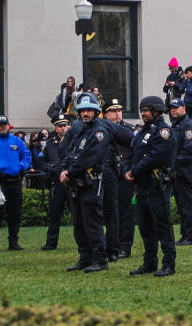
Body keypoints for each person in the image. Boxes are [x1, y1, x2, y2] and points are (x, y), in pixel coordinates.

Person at [60, 92, 113, 273]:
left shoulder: (99, 132)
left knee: (92, 224)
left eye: (89, 110)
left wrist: (70, 171)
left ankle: (100, 260)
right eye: (83, 110)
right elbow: (69, 153)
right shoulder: (80, 130)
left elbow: (88, 158)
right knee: (79, 224)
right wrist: (64, 169)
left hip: (91, 183)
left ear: (96, 111)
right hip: (77, 184)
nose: (85, 114)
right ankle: (85, 257)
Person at [125, 96, 177, 277]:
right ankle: (149, 262)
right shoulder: (142, 132)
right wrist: (128, 169)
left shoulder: (163, 131)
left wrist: (134, 171)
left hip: (157, 186)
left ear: (156, 111)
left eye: (146, 110)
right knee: (145, 227)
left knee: (162, 226)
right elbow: (132, 153)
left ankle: (169, 263)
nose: (143, 113)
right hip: (142, 186)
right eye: (142, 110)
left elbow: (156, 156)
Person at [97, 99, 134, 263]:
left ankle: (124, 246)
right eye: (113, 110)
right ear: (106, 114)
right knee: (111, 212)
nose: (118, 113)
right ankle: (110, 244)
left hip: (124, 174)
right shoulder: (102, 130)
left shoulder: (127, 130)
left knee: (125, 211)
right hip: (108, 173)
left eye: (119, 110)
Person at [0, 116, 31, 251]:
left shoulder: (17, 141)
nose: (3, 127)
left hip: (14, 181)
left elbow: (26, 155)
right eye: (0, 125)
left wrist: (21, 166)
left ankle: (13, 242)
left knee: (15, 213)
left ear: (9, 126)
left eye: (5, 124)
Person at [169, 99, 192, 245]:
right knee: (182, 206)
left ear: (184, 108)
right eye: (172, 108)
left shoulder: (189, 126)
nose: (174, 110)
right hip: (178, 172)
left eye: (176, 108)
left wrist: (172, 162)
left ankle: (191, 235)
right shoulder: (176, 125)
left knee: (187, 205)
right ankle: (185, 233)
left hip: (186, 172)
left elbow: (190, 152)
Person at [40, 114, 71, 250]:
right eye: (60, 126)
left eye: (65, 125)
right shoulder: (50, 144)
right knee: (54, 214)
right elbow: (43, 163)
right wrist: (53, 168)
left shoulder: (73, 142)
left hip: (71, 182)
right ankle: (51, 243)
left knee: (78, 214)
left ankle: (84, 241)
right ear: (56, 128)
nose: (63, 128)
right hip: (57, 183)